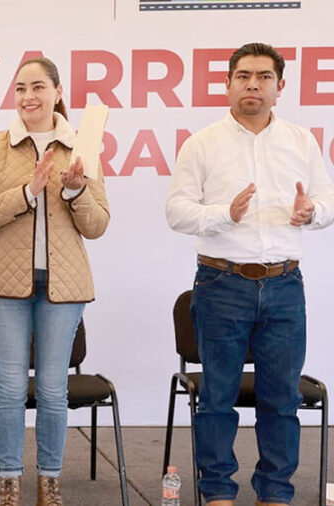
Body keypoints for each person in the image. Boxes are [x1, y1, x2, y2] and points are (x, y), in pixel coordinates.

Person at [166, 42, 334, 506]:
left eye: (263, 77)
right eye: (243, 76)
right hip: (221, 284)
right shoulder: (202, 144)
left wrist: (312, 212)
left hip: (284, 285)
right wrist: (225, 213)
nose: (253, 85)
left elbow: (328, 200)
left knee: (281, 399)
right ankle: (218, 492)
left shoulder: (301, 141)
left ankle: (275, 493)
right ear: (227, 85)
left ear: (280, 87)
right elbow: (177, 212)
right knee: (217, 397)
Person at [0, 57, 110, 506]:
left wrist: (75, 191)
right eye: (21, 88)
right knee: (9, 388)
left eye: (38, 87)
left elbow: (98, 225)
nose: (28, 97)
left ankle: (50, 485)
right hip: (5, 286)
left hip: (64, 287)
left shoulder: (82, 146)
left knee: (52, 389)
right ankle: (9, 484)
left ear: (58, 91)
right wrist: (27, 193)